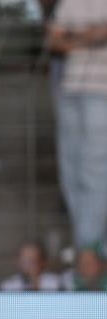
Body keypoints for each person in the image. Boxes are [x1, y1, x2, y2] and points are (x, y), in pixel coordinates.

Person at [48, 0, 107, 254]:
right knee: (70, 170)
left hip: (102, 92)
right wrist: (91, 35)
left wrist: (73, 37)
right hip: (71, 89)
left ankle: (89, 252)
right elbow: (53, 42)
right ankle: (88, 246)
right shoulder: (69, 2)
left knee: (95, 172)